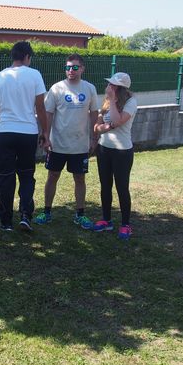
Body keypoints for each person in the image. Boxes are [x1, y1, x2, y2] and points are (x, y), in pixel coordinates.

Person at [0, 41, 50, 232]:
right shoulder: (35, 75)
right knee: (26, 176)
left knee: (4, 177)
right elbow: (40, 107)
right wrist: (45, 132)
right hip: (28, 133)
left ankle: (6, 221)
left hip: (5, 132)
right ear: (27, 57)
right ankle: (25, 216)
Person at [34, 54, 99, 229]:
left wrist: (95, 138)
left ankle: (80, 214)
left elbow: (94, 114)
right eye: (68, 67)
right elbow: (48, 114)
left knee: (80, 178)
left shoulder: (89, 88)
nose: (71, 70)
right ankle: (46, 212)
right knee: (52, 176)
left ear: (82, 69)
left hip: (80, 145)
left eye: (75, 67)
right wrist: (45, 136)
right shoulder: (56, 89)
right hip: (57, 145)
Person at [92, 72, 137, 240]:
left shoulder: (131, 102)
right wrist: (105, 126)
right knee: (105, 185)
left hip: (122, 151)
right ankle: (106, 220)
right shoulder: (107, 100)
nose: (109, 87)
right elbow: (97, 126)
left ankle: (125, 224)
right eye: (109, 84)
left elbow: (118, 121)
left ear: (121, 88)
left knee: (122, 187)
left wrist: (108, 123)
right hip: (104, 149)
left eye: (113, 85)